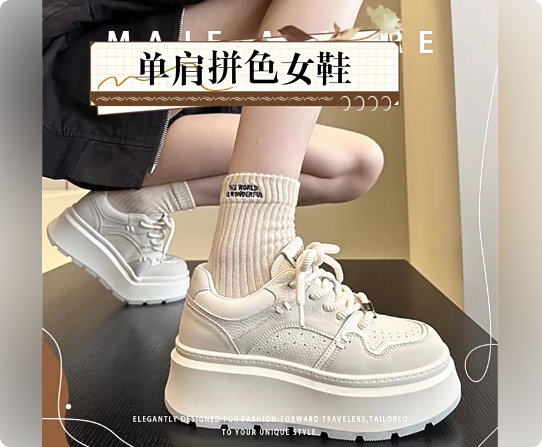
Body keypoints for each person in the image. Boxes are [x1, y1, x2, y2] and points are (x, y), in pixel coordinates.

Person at [43, 0, 461, 439]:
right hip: (71, 76)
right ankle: (249, 281)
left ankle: (131, 206)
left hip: (150, 107)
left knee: (357, 165)